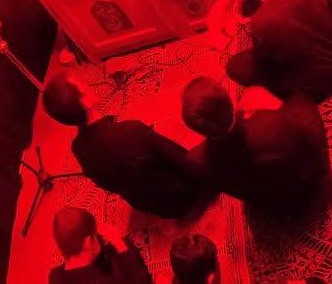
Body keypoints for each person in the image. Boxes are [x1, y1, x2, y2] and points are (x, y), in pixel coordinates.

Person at [41, 74, 210, 219]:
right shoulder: (133, 131)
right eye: (81, 84)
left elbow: (109, 185)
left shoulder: (78, 150)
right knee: (204, 151)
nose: (87, 84)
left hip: (150, 205)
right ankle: (196, 204)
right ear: (85, 101)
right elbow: (181, 160)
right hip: (184, 199)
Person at [182, 76, 328, 209]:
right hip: (304, 187)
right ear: (230, 102)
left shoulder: (197, 160)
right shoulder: (272, 126)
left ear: (198, 130)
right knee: (299, 99)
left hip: (268, 203)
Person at [48, 206, 152, 284]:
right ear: (88, 242)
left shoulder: (55, 277)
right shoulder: (109, 276)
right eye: (95, 235)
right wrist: (119, 243)